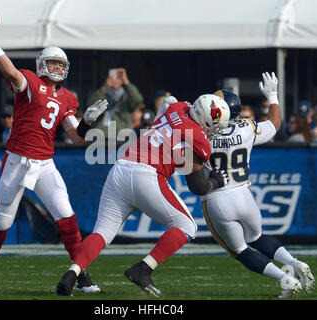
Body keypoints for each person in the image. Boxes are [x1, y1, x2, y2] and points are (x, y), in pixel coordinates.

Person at [0, 19, 108, 293]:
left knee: (66, 215)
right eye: (53, 63)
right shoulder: (30, 81)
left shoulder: (68, 98)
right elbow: (10, 72)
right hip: (17, 160)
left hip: (45, 163)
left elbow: (76, 137)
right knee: (3, 221)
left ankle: (80, 273)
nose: (58, 68)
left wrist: (88, 123)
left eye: (61, 65)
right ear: (41, 64)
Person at [55, 94, 231, 297]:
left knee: (102, 232)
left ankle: (71, 273)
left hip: (121, 169)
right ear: (206, 120)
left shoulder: (180, 108)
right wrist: (215, 182)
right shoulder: (199, 138)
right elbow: (197, 186)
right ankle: (143, 269)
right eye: (215, 126)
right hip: (147, 175)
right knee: (187, 226)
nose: (215, 131)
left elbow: (168, 106)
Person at [186, 73, 315, 298]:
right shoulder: (246, 127)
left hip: (217, 196)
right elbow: (274, 126)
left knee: (240, 251)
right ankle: (293, 262)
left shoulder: (199, 134)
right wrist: (273, 96)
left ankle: (285, 280)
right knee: (257, 237)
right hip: (244, 194)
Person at [86, 68, 144, 138]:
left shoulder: (127, 96)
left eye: (118, 78)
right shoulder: (101, 94)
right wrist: (104, 88)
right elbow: (90, 105)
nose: (115, 80)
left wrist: (126, 82)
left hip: (122, 135)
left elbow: (138, 100)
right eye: (112, 78)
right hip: (101, 135)